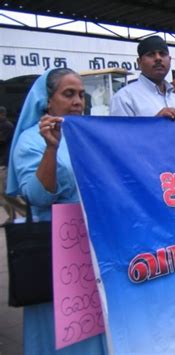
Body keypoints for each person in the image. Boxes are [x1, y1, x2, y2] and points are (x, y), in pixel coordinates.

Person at [7, 68, 107, 354]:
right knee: (62, 328)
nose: (78, 101)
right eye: (68, 94)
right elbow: (36, 195)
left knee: (91, 321)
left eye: (80, 94)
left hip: (87, 244)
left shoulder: (83, 135)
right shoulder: (31, 140)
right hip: (55, 250)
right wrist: (51, 149)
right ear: (47, 101)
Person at [110, 35, 175, 119]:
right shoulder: (124, 98)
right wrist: (154, 123)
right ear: (139, 62)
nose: (158, 58)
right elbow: (120, 131)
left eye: (162, 54)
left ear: (170, 60)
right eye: (151, 54)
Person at [0, 106, 25, 225]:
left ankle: (26, 212)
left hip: (5, 162)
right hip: (2, 162)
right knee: (2, 193)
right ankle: (11, 217)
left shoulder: (7, 126)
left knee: (6, 192)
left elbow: (2, 141)